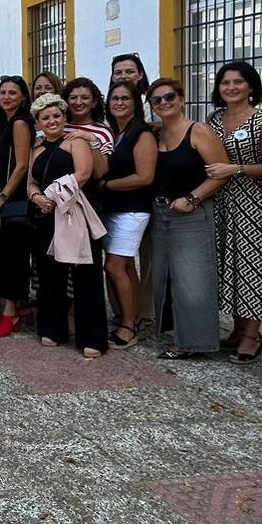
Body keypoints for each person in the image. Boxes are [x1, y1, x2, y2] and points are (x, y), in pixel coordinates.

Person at [207, 60, 262, 365]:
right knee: (228, 264)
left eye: (237, 82)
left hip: (252, 203)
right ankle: (239, 327)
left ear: (251, 86)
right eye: (225, 82)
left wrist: (236, 168)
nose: (231, 88)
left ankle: (253, 335)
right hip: (220, 201)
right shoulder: (214, 120)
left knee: (252, 266)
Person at [145, 79, 229, 360]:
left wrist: (193, 198)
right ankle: (179, 334)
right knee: (166, 278)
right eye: (156, 100)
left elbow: (220, 172)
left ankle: (194, 343)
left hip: (191, 214)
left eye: (169, 97)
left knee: (193, 280)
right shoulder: (156, 134)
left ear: (182, 99)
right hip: (161, 214)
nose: (163, 103)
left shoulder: (199, 131)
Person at [27, 93, 107, 356]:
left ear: (64, 117)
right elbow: (31, 182)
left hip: (75, 214)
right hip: (46, 216)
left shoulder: (75, 141)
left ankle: (92, 338)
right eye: (46, 117)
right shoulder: (36, 147)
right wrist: (38, 198)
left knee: (86, 273)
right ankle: (52, 329)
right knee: (49, 273)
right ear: (38, 121)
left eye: (57, 116)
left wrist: (51, 196)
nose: (52, 121)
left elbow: (83, 174)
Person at [97, 82, 157, 349]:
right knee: (126, 266)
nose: (119, 102)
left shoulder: (141, 133)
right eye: (115, 98)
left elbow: (145, 176)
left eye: (125, 98)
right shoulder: (114, 132)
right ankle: (132, 316)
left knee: (113, 265)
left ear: (136, 103)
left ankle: (128, 326)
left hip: (132, 210)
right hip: (112, 208)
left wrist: (107, 185)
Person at [0, 77, 35, 335]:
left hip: (17, 200)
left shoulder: (19, 122)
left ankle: (10, 311)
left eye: (12, 93)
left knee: (12, 256)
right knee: (12, 254)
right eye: (3, 92)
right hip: (12, 197)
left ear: (23, 97)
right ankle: (24, 307)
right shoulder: (8, 121)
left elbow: (22, 165)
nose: (5, 96)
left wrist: (2, 197)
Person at [63, 77, 114, 154]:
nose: (78, 102)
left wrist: (92, 139)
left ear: (94, 102)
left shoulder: (103, 132)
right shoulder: (60, 127)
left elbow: (105, 166)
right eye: (73, 98)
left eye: (85, 98)